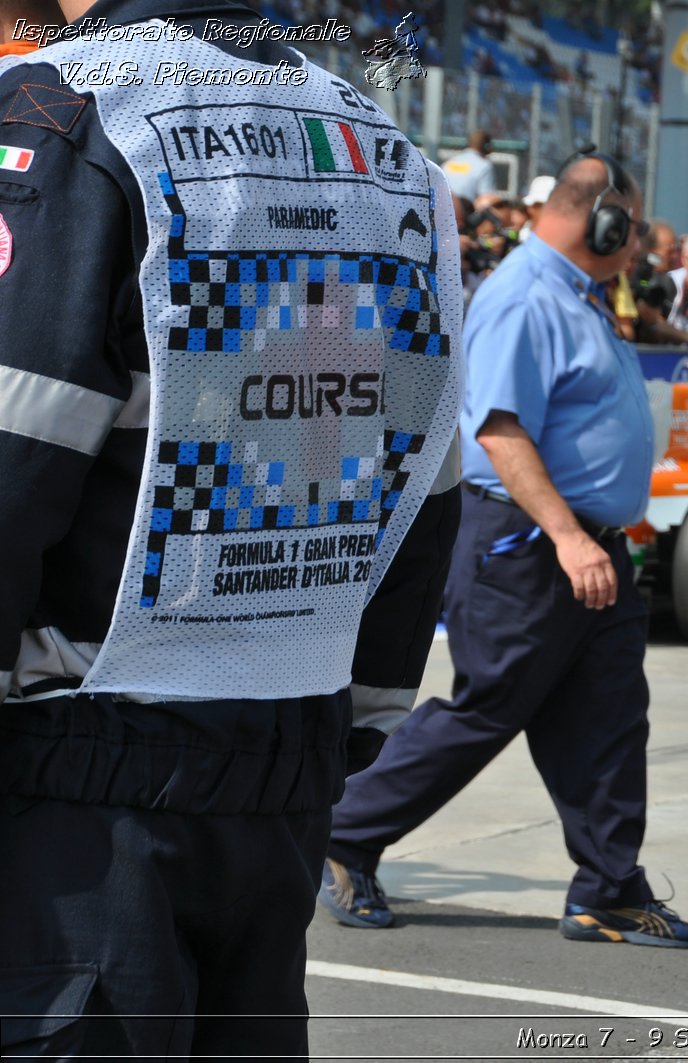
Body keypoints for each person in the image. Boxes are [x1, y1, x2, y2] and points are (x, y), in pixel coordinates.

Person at [0, 0, 465, 1054]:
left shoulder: (70, 110)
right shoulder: (381, 144)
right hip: (288, 754)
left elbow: (14, 451)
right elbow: (426, 468)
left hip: (83, 771)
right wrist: (351, 717)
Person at [318, 150, 688, 949]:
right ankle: (343, 832)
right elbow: (497, 429)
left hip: (586, 547)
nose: (638, 248)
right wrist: (566, 536)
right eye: (631, 230)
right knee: (489, 705)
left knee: (607, 716)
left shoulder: (576, 296)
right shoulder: (526, 298)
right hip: (532, 544)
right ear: (605, 220)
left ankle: (609, 888)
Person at [442, 129, 498, 204]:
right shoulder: (484, 166)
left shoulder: (448, 163)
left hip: (443, 210)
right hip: (466, 213)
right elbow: (486, 201)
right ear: (487, 147)